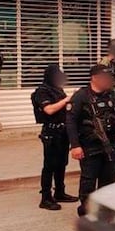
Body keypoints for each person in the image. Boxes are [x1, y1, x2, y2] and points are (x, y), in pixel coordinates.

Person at [67, 65, 115, 217]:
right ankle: (86, 212)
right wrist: (75, 146)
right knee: (89, 180)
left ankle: (104, 211)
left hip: (110, 144)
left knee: (109, 180)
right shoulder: (81, 96)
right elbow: (70, 121)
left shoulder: (112, 95)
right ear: (94, 78)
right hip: (90, 146)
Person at [32, 64, 78, 211]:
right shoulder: (42, 92)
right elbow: (49, 110)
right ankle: (45, 198)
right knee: (49, 166)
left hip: (63, 132)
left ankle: (59, 192)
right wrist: (67, 99)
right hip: (51, 133)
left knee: (61, 164)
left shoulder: (58, 90)